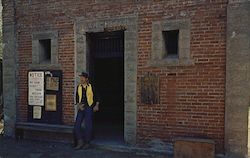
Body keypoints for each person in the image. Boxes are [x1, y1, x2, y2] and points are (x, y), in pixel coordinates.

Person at [73, 72, 100, 150]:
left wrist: (96, 105)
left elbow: (97, 96)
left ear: (86, 79)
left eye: (83, 77)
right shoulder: (78, 87)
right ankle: (80, 141)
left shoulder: (91, 87)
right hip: (81, 107)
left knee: (88, 126)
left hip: (89, 107)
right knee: (77, 126)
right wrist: (78, 105)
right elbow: (77, 98)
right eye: (80, 77)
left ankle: (87, 142)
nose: (81, 79)